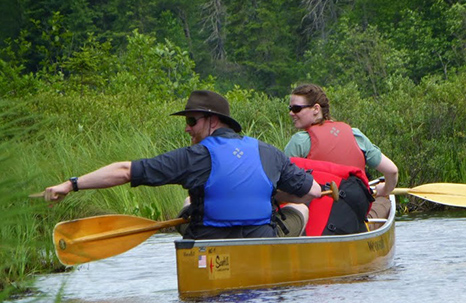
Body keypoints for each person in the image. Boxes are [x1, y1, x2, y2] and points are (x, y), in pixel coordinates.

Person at [44, 90, 322, 240]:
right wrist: (271, 193)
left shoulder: (194, 158)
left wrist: (72, 184)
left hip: (210, 247)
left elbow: (125, 171)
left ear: (213, 121)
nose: (187, 129)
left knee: (189, 203)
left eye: (192, 121)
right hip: (259, 244)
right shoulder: (269, 152)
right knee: (299, 206)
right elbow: (312, 191)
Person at [284, 83, 398, 226]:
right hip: (351, 216)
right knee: (384, 201)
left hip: (316, 221)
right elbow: (392, 171)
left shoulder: (299, 142)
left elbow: (281, 182)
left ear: (316, 109)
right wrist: (385, 189)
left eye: (296, 109)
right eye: (290, 109)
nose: (291, 113)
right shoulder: (355, 134)